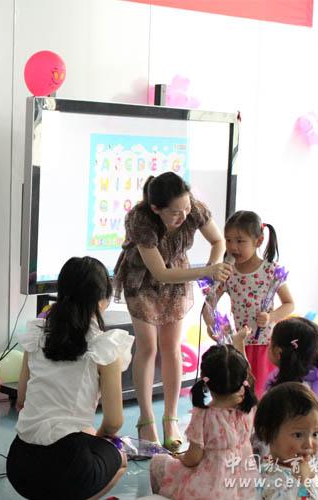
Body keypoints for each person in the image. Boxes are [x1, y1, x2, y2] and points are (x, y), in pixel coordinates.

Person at [112, 171, 231, 450]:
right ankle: (146, 419)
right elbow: (160, 273)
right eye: (176, 212)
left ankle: (171, 418)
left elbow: (219, 241)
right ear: (156, 208)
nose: (184, 216)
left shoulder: (193, 208)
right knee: (147, 347)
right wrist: (205, 271)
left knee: (171, 347)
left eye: (186, 208)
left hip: (178, 276)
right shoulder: (141, 220)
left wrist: (212, 269)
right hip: (143, 280)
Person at [6, 256, 134, 500]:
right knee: (120, 458)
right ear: (102, 299)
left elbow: (21, 400)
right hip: (70, 468)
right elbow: (113, 422)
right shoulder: (105, 347)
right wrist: (93, 439)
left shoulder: (37, 335)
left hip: (20, 466)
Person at [149, 328, 258, 499]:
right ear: (243, 380)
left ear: (205, 380)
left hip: (211, 489)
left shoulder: (203, 415)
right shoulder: (249, 407)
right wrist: (239, 342)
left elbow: (193, 458)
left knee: (158, 462)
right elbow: (247, 374)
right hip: (245, 486)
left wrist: (180, 457)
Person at [204, 210, 294, 398]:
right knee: (240, 392)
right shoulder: (228, 272)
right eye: (228, 240)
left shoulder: (270, 270)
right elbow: (209, 305)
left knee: (261, 393)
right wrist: (213, 326)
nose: (232, 246)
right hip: (238, 344)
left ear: (258, 241)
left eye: (240, 241)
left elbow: (289, 304)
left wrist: (270, 317)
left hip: (264, 345)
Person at [254, 382, 318, 499]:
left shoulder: (303, 467)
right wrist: (304, 482)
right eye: (298, 435)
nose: (308, 444)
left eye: (315, 434)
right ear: (267, 433)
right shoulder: (270, 479)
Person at [265, 317, 318, 391]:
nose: (268, 344)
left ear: (278, 352)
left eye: (270, 341)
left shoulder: (283, 392)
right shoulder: (303, 382)